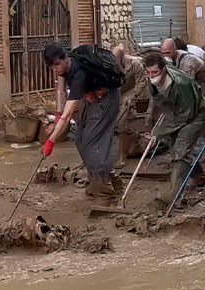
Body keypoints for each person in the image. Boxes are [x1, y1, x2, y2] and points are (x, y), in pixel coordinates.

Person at [43, 44, 121, 196]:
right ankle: (100, 176)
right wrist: (58, 113)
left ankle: (103, 185)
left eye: (57, 65)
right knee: (79, 140)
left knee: (93, 140)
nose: (55, 70)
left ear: (65, 58)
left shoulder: (79, 74)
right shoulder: (65, 66)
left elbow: (67, 117)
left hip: (107, 96)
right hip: (89, 95)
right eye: (52, 67)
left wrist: (51, 140)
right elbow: (61, 92)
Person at [143, 53, 205, 204]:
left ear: (164, 70)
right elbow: (161, 103)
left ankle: (173, 196)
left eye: (155, 72)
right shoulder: (152, 81)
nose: (151, 76)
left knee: (180, 151)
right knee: (176, 148)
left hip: (195, 113)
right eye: (148, 72)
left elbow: (186, 115)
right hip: (175, 113)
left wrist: (159, 131)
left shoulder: (182, 84)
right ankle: (199, 177)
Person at [160, 38, 205, 126]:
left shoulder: (188, 62)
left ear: (175, 49)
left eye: (168, 53)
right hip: (196, 89)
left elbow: (186, 87)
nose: (165, 56)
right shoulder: (168, 61)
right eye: (163, 53)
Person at [111, 46, 150, 168]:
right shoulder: (106, 66)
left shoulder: (135, 64)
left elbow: (141, 82)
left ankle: (122, 157)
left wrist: (133, 97)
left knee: (122, 121)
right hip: (113, 92)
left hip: (130, 91)